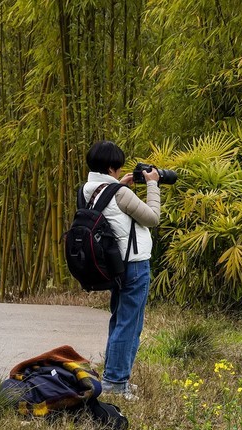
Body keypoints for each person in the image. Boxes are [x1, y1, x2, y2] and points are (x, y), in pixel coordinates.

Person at [83, 141, 161, 401]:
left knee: (120, 320)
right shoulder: (118, 192)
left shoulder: (88, 189)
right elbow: (152, 218)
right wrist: (152, 184)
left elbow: (112, 212)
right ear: (111, 167)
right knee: (129, 323)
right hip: (134, 264)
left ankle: (116, 377)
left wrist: (121, 186)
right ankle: (115, 382)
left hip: (113, 265)